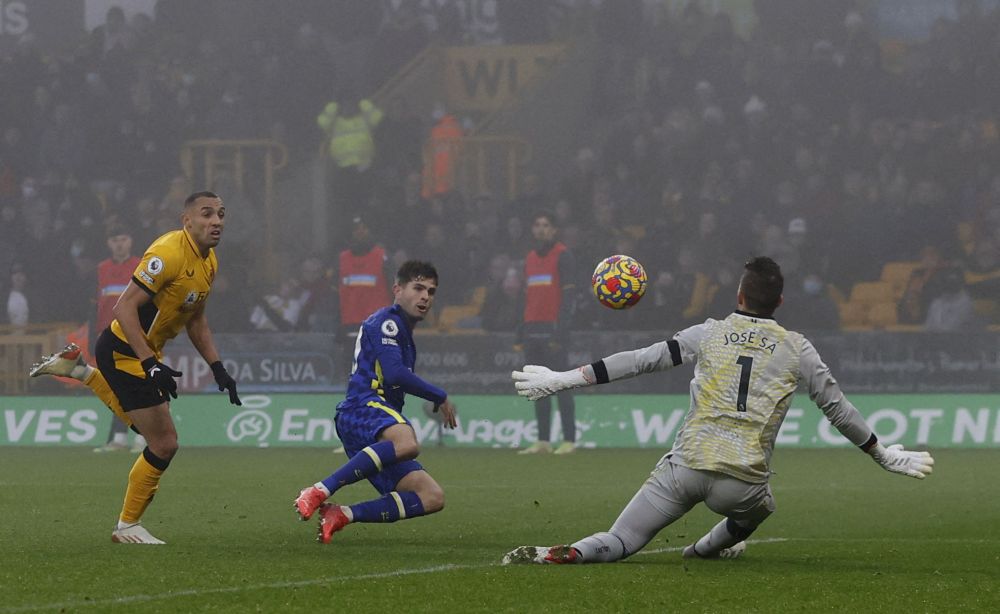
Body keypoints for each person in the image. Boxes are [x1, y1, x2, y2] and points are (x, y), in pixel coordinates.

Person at [503, 257, 934, 565]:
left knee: (620, 539)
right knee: (763, 507)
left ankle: (571, 552)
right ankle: (708, 547)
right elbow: (838, 410)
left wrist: (562, 378)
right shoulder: (797, 348)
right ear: (780, 302)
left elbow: (639, 360)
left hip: (685, 468)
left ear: (739, 294)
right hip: (742, 485)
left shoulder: (707, 333)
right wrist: (882, 454)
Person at [28, 191, 242, 545]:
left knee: (158, 435)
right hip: (123, 351)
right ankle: (127, 526)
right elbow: (123, 309)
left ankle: (80, 370)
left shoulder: (210, 262)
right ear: (186, 220)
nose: (216, 221)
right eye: (206, 214)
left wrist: (217, 367)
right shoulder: (168, 252)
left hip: (140, 353)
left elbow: (197, 320)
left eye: (221, 213)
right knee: (164, 443)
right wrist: (149, 364)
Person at [293, 260, 458, 544]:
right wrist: (439, 395)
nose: (425, 297)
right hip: (363, 407)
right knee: (406, 443)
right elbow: (395, 374)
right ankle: (319, 490)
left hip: (374, 423)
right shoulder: (388, 321)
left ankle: (342, 514)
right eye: (418, 288)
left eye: (431, 292)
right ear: (397, 289)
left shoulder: (404, 332)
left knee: (432, 497)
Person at [518, 212, 577, 455]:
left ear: (554, 230)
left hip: (553, 329)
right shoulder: (530, 258)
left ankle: (569, 440)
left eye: (546, 225)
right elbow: (528, 297)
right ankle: (543, 440)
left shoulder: (563, 255)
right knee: (537, 386)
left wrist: (560, 333)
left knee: (561, 385)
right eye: (537, 225)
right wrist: (520, 331)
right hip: (533, 328)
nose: (541, 229)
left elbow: (570, 298)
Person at [93, 222, 143, 453]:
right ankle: (120, 437)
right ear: (108, 244)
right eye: (115, 240)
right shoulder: (101, 269)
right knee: (117, 388)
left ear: (130, 241)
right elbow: (98, 305)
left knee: (139, 384)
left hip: (135, 334)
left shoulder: (140, 267)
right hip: (109, 336)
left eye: (123, 239)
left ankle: (142, 438)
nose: (119, 244)